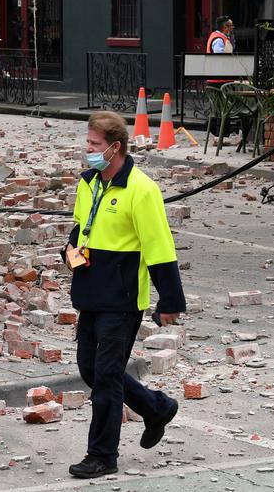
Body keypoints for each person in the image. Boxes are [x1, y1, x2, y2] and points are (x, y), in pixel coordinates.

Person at [63, 111, 185, 479]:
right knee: (92, 369)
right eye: (88, 142)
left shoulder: (142, 189)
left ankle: (102, 455)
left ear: (115, 147)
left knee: (107, 377)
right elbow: (81, 229)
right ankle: (156, 408)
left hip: (122, 299)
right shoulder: (89, 184)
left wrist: (171, 301)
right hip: (90, 291)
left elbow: (160, 248)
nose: (88, 150)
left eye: (95, 145)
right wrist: (70, 250)